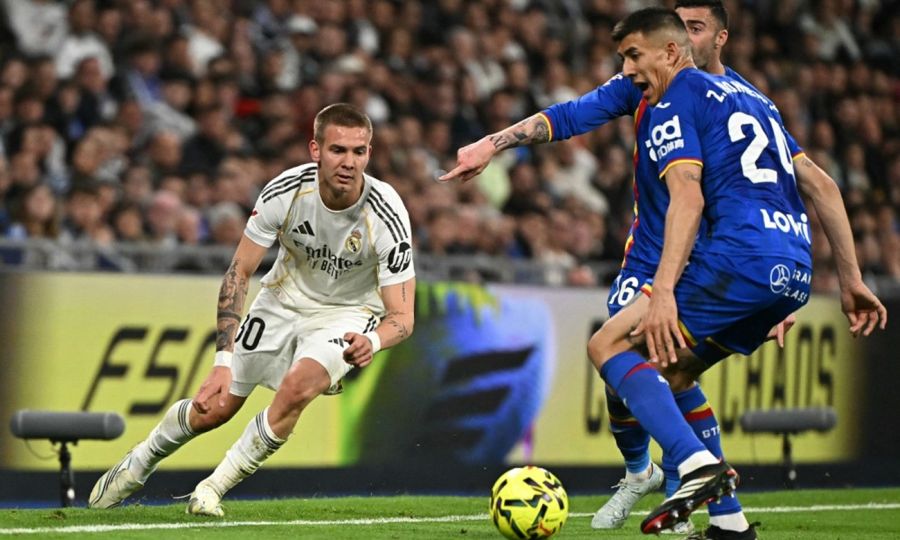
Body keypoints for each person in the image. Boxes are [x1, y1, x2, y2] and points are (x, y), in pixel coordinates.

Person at [442, 6, 886, 536]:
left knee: (612, 348)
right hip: (780, 266)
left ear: (707, 40)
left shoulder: (679, 94)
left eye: (693, 27)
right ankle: (721, 519)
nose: (627, 68)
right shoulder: (753, 100)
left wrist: (670, 291)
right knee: (670, 373)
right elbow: (823, 186)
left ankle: (690, 467)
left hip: (717, 260)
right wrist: (847, 280)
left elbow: (689, 196)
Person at [88, 103, 416, 516]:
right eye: (338, 150)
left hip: (346, 313)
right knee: (213, 409)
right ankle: (138, 464)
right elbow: (239, 272)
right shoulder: (286, 192)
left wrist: (372, 339)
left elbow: (402, 318)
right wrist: (222, 360)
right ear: (315, 149)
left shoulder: (386, 212)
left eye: (359, 151)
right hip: (281, 300)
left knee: (300, 383)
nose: (349, 162)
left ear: (369, 153)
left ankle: (211, 488)